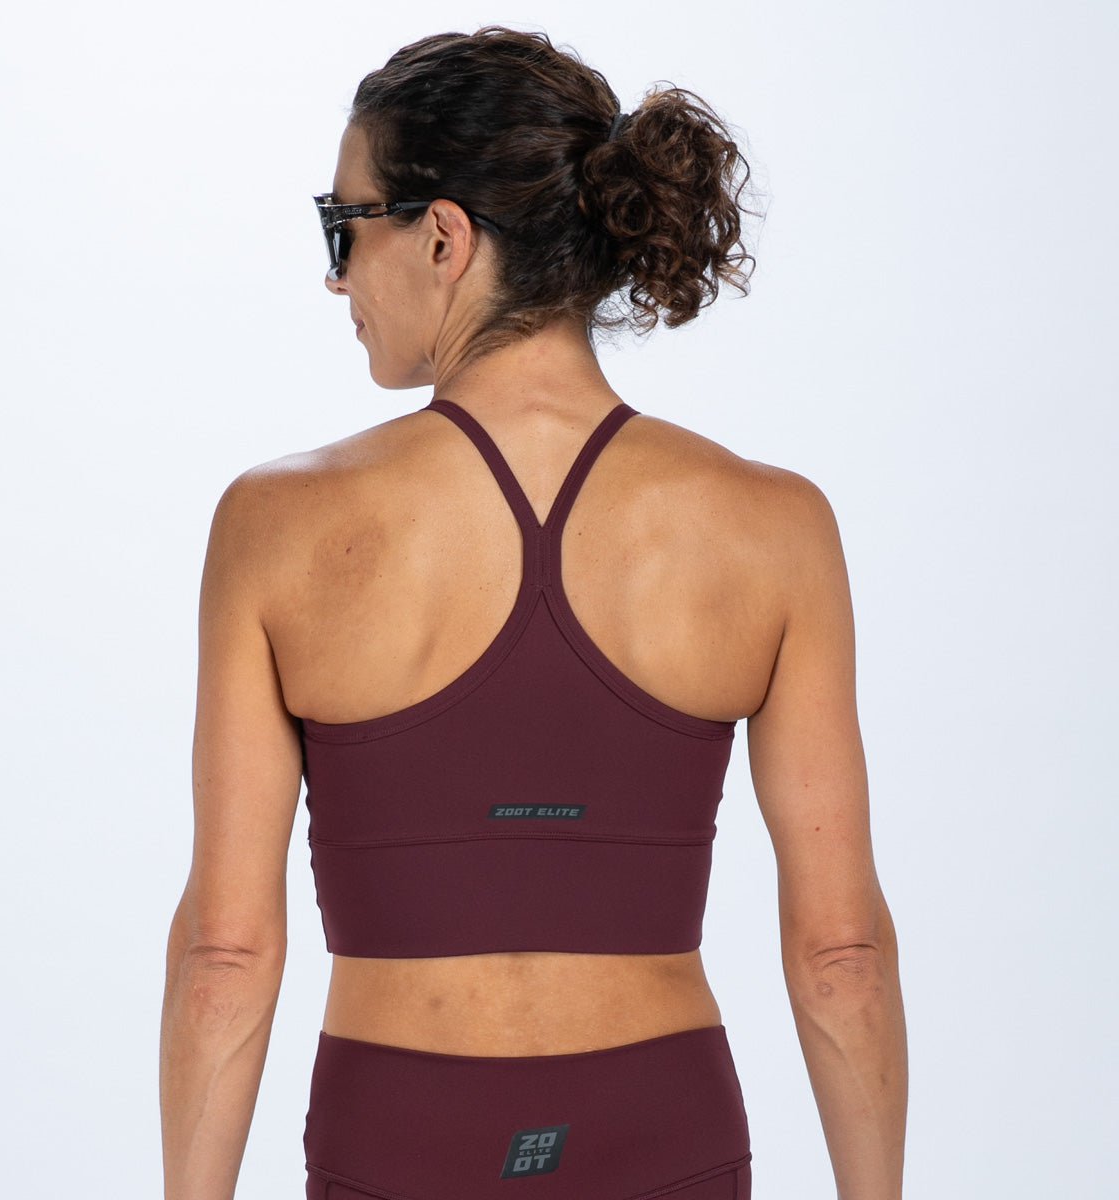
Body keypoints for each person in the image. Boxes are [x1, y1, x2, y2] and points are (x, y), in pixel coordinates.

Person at [159, 24, 908, 1200]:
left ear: (442, 237)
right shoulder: (774, 526)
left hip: (399, 1147)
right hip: (665, 1143)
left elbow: (226, 954)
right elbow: (842, 953)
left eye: (345, 225)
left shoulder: (279, 525)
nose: (336, 275)